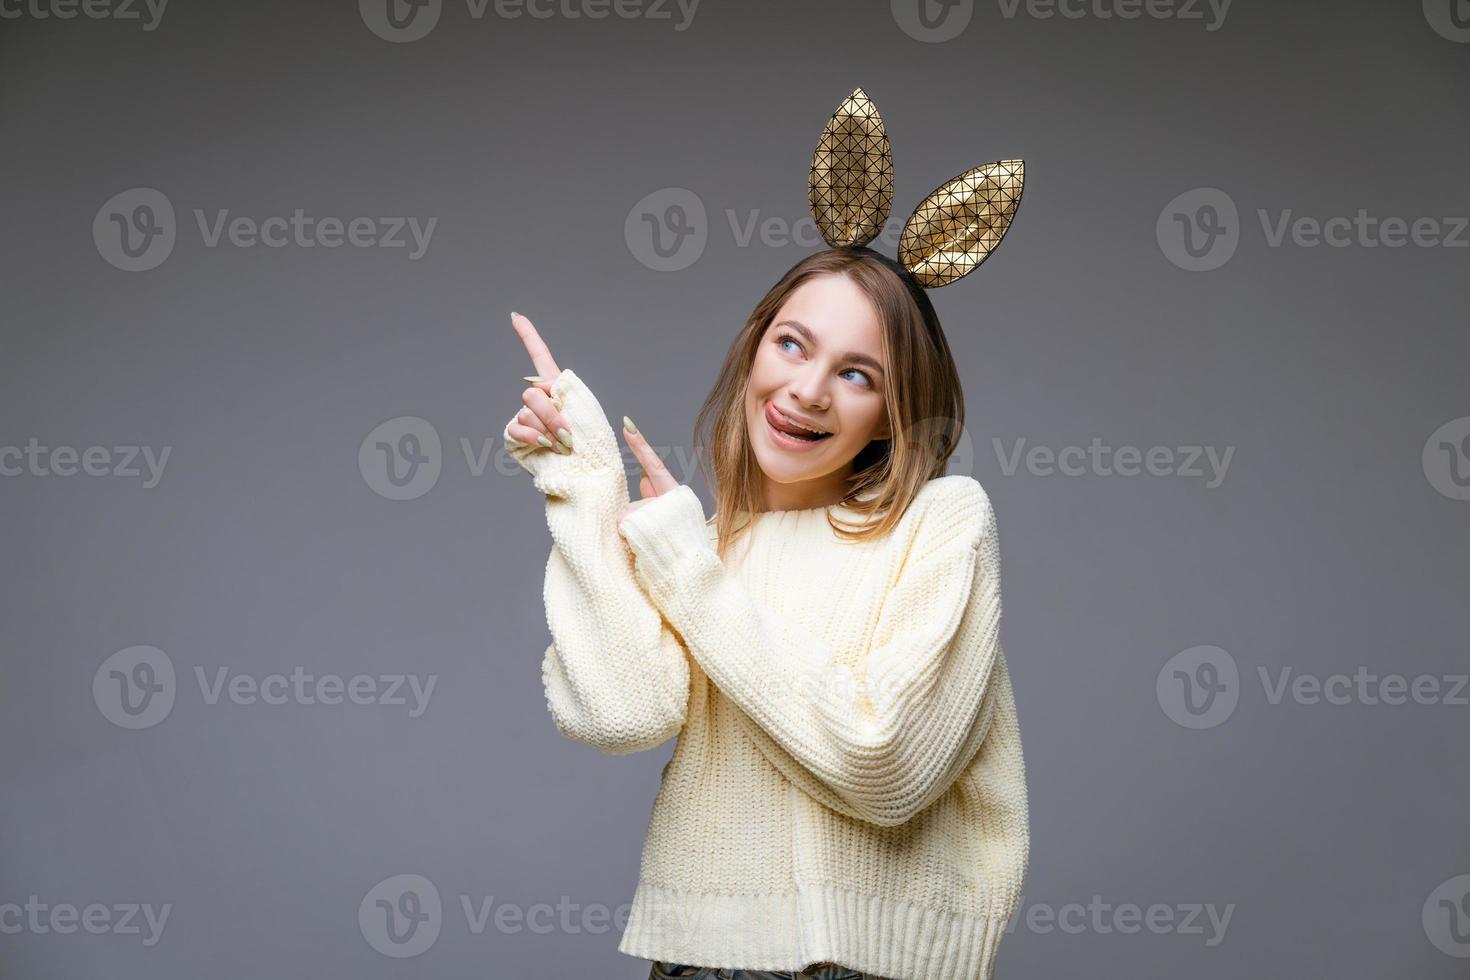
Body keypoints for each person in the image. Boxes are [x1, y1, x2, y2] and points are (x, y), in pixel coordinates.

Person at [502, 88, 1030, 980]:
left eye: (857, 373)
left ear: (895, 416)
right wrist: (585, 487)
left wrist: (683, 568)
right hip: (696, 964)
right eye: (792, 344)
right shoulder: (705, 548)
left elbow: (886, 767)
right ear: (756, 348)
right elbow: (624, 713)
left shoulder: (944, 523)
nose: (809, 390)